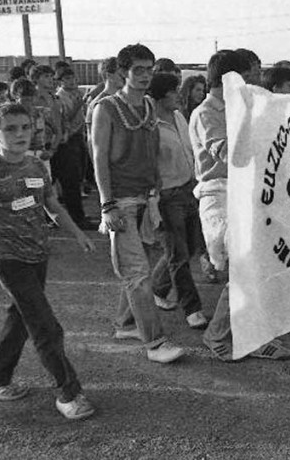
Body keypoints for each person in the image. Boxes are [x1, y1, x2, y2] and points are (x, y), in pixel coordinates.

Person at [190, 49, 290, 361]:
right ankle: (221, 334)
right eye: (247, 75)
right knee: (243, 268)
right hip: (220, 196)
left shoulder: (240, 106)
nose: (253, 81)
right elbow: (230, 155)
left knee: (257, 266)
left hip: (246, 192)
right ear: (230, 78)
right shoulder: (207, 113)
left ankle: (251, 333)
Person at [0, 103, 96, 420]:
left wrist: (77, 232)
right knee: (45, 325)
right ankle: (68, 392)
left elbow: (50, 204)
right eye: (10, 128)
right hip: (9, 259)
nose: (20, 134)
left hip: (39, 254)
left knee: (21, 317)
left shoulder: (37, 167)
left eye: (25, 127)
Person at [91, 44, 185, 363]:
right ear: (123, 72)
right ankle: (156, 344)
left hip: (147, 199)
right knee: (138, 274)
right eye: (138, 70)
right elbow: (99, 157)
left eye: (149, 69)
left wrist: (157, 190)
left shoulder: (147, 105)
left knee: (138, 267)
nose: (145, 76)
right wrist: (107, 205)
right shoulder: (105, 108)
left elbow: (153, 149)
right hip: (120, 203)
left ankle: (125, 323)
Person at [145, 73, 208, 330]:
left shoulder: (180, 116)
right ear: (160, 96)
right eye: (173, 91)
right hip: (167, 196)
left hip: (187, 188)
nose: (178, 96)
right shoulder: (150, 126)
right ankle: (192, 308)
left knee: (189, 247)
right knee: (178, 254)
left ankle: (158, 288)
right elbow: (149, 163)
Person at [53, 67, 94, 229]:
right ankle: (76, 218)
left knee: (78, 177)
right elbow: (64, 121)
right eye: (67, 79)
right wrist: (78, 106)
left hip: (77, 137)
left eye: (73, 78)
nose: (72, 81)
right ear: (61, 81)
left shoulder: (75, 94)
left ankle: (77, 215)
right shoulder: (60, 97)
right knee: (69, 180)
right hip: (67, 141)